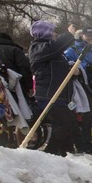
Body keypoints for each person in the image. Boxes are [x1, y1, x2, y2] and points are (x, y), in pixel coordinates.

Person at [29, 21, 78, 156]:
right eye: (52, 31)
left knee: (68, 122)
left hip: (60, 94)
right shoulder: (37, 48)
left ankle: (64, 152)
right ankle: (50, 152)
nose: (55, 34)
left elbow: (56, 68)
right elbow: (54, 48)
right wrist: (69, 34)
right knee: (64, 122)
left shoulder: (51, 49)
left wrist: (72, 70)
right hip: (48, 93)